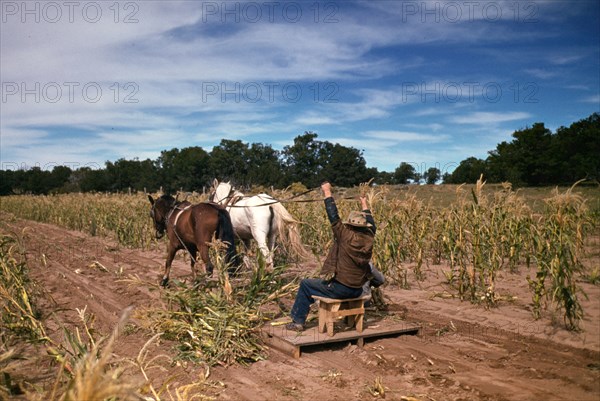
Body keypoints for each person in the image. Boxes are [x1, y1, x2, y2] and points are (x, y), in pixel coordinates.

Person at [286, 181, 377, 331]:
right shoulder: (369, 237)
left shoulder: (344, 235)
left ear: (350, 225)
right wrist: (364, 203)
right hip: (358, 289)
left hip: (341, 289)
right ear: (365, 227)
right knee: (314, 284)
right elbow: (372, 224)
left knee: (305, 285)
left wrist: (327, 192)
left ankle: (297, 322)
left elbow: (333, 215)